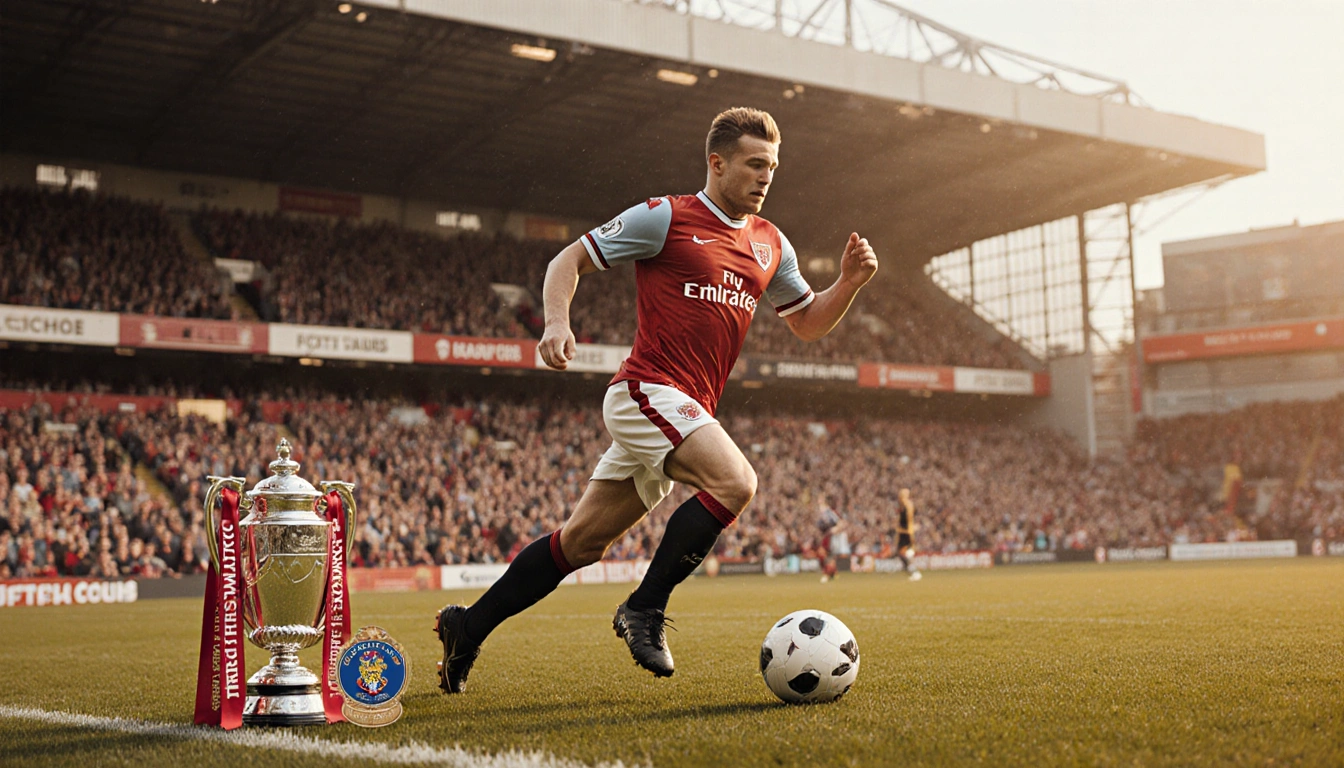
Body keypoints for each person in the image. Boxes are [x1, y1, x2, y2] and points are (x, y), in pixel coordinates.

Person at [433, 107, 880, 692]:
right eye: (754, 164)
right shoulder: (666, 217)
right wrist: (556, 322)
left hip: (686, 409)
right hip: (645, 390)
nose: (766, 176)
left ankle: (466, 627)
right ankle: (645, 607)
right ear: (716, 163)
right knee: (736, 483)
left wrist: (847, 284)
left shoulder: (771, 243)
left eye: (772, 166)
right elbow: (568, 259)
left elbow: (807, 322)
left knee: (580, 544)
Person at [896, 487, 921, 581]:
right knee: (903, 554)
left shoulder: (908, 505)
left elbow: (909, 521)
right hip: (903, 532)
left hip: (906, 533)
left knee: (905, 553)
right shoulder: (903, 506)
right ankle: (913, 571)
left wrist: (910, 533)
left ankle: (914, 572)